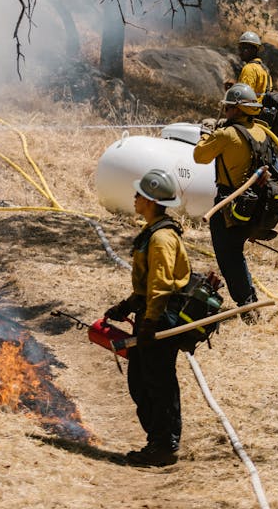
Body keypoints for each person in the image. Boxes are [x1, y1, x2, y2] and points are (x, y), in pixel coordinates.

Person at [104, 168, 191, 467]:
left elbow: (162, 284)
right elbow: (148, 283)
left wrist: (151, 321)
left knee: (158, 382)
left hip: (161, 317)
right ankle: (157, 441)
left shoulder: (162, 239)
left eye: (139, 193)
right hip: (150, 313)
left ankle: (165, 446)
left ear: (151, 201)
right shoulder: (153, 233)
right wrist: (127, 306)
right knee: (141, 381)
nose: (135, 197)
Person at [192, 82, 270, 318]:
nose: (225, 112)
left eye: (227, 108)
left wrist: (206, 133)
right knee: (235, 252)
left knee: (229, 256)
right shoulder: (260, 131)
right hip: (254, 202)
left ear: (236, 109)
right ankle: (249, 299)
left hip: (230, 203)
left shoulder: (226, 134)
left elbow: (199, 156)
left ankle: (247, 306)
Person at [224, 31, 273, 100]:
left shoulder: (250, 68)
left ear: (254, 50)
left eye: (245, 48)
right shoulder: (264, 68)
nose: (240, 51)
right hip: (259, 109)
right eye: (240, 48)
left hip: (249, 110)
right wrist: (234, 87)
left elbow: (242, 98)